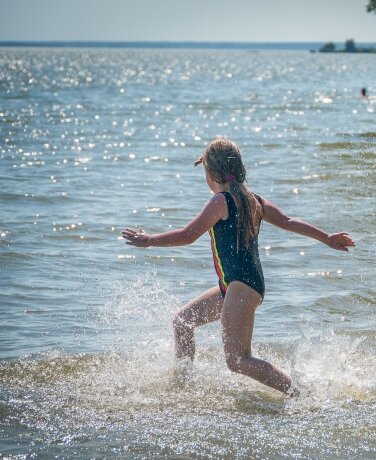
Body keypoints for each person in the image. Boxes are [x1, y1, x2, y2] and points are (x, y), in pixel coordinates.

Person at [122, 138, 355, 396]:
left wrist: (149, 240)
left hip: (241, 285)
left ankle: (300, 393)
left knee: (238, 360)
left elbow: (188, 235)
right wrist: (327, 238)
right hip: (237, 285)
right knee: (183, 322)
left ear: (211, 173)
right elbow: (289, 221)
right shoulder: (254, 200)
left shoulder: (221, 201)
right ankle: (181, 388)